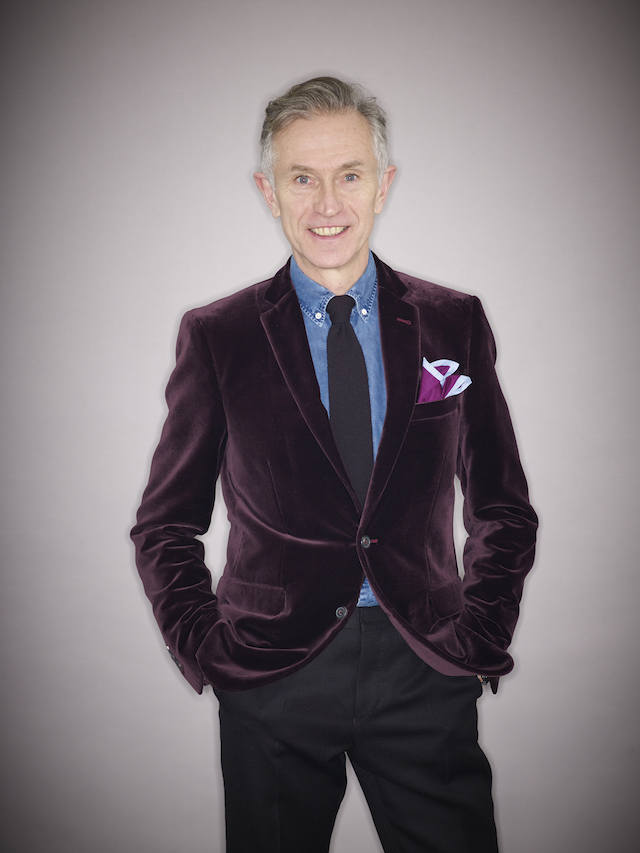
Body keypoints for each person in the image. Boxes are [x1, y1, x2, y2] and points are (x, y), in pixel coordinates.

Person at [131, 76, 537, 853]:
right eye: (301, 178)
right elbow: (165, 524)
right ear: (268, 191)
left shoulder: (453, 321)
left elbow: (502, 506)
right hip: (273, 672)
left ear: (383, 184)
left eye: (349, 175)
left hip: (424, 662)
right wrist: (209, 650)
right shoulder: (219, 336)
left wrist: (477, 633)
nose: (327, 203)